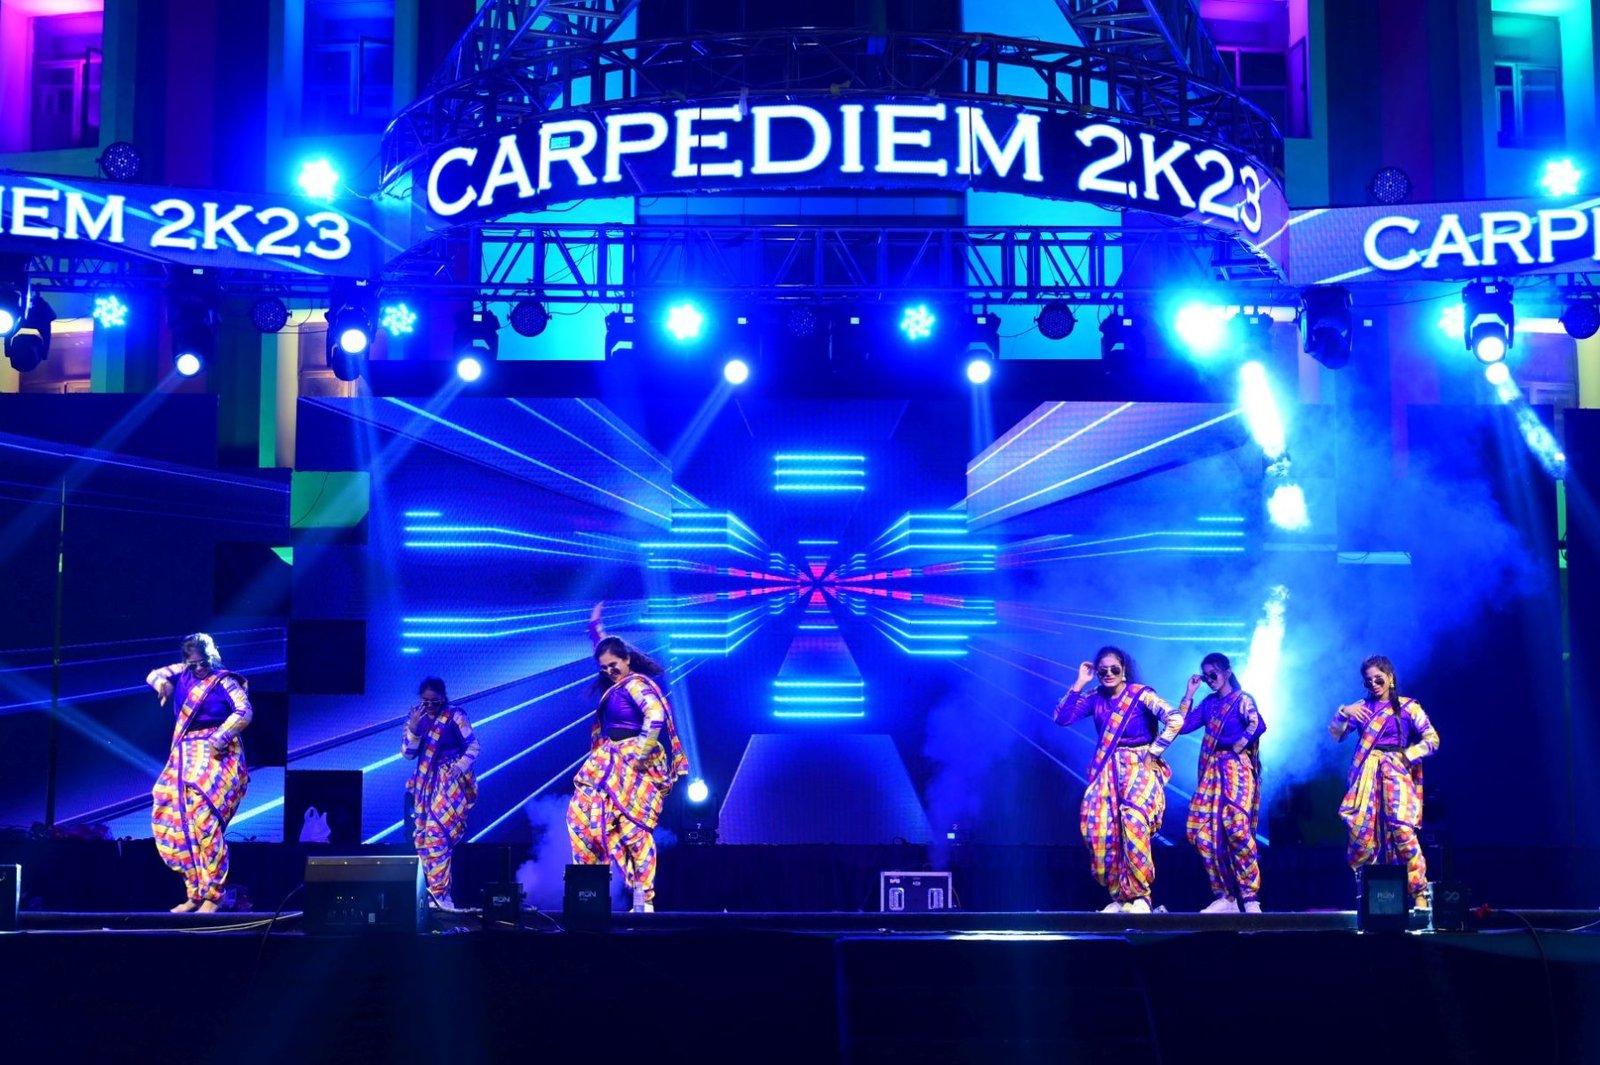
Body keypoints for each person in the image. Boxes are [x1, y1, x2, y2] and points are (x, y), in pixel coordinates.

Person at [567, 602, 689, 913]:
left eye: (613, 665)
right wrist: (595, 628)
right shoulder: (618, 680)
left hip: (635, 763)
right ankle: (591, 890)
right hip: (610, 762)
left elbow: (655, 715)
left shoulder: (635, 685)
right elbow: (603, 648)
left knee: (634, 832)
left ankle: (643, 900)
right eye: (604, 668)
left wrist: (639, 755)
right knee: (586, 818)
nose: (609, 671)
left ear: (627, 659)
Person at [1055, 646, 1184, 914]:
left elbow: (1174, 719)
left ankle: (1141, 897)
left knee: (1133, 822)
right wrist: (1080, 682)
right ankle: (1121, 898)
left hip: (1140, 766)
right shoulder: (1096, 697)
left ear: (1124, 670)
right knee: (1103, 832)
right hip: (1108, 770)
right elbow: (1062, 717)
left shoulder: (1141, 694)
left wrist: (1154, 752)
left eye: (1114, 669)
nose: (1108, 674)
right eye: (1103, 671)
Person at [145, 633, 252, 913]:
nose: (199, 668)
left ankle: (214, 895)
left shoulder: (224, 680)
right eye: (193, 664)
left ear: (212, 656)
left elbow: (244, 711)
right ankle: (195, 892)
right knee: (179, 820)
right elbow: (154, 674)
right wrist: (162, 685)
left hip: (218, 753)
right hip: (185, 754)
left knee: (205, 819)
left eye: (203, 662)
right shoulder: (182, 671)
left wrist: (220, 737)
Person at [1328, 654, 1440, 911]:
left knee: (1402, 830)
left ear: (1390, 678)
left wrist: (1407, 756)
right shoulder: (1361, 707)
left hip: (1395, 770)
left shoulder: (1408, 707)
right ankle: (1370, 895)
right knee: (1361, 835)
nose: (1373, 684)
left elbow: (1432, 739)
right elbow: (1336, 736)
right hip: (1366, 774)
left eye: (1378, 679)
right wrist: (1343, 712)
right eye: (1368, 681)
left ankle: (1419, 893)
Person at [1178, 652, 1266, 914]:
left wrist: (1238, 746)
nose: (1210, 680)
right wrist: (1189, 694)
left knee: (1237, 829)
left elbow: (1258, 724)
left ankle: (1250, 898)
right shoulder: (1208, 704)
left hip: (1236, 768)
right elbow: (1181, 726)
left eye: (1213, 674)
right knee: (1202, 832)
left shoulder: (1242, 699)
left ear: (1227, 672)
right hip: (1212, 771)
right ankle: (1225, 897)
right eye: (1206, 676)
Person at [401, 677, 480, 910]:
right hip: (424, 784)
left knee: (438, 835)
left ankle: (440, 895)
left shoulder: (455, 715)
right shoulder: (416, 718)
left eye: (434, 702)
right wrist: (414, 731)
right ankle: (437, 894)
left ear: (443, 698)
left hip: (450, 783)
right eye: (425, 701)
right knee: (423, 839)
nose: (429, 706)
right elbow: (407, 754)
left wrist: (459, 767)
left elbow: (474, 746)